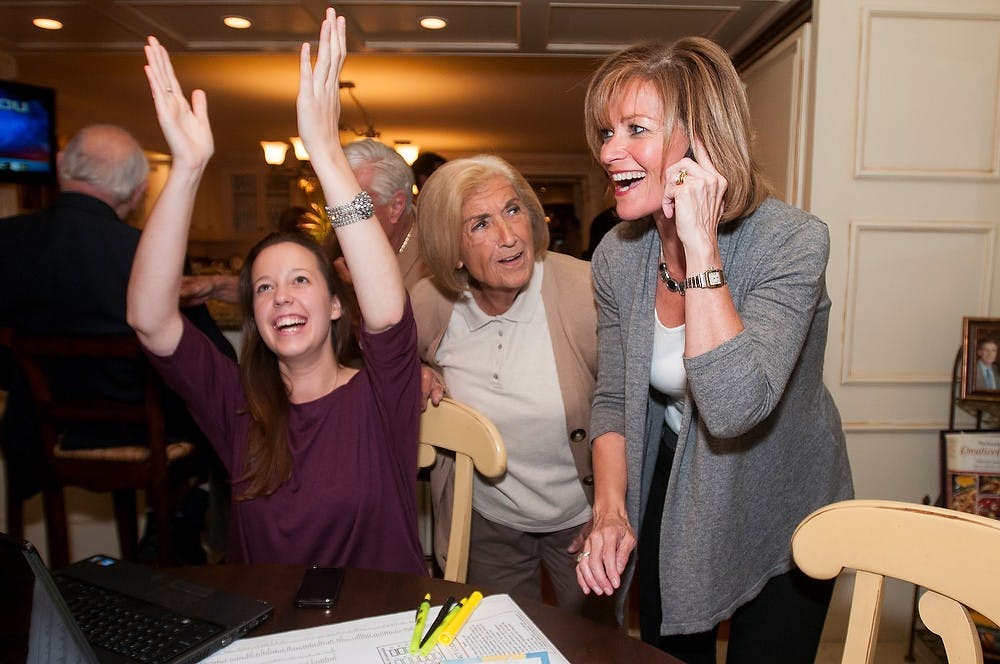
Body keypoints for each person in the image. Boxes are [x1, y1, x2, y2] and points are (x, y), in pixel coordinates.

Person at [573, 37, 854, 663]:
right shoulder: (618, 256)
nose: (608, 151)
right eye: (606, 131)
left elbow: (733, 407)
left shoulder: (793, 243)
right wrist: (611, 510)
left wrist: (700, 246)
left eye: (634, 130)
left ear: (696, 141)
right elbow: (615, 396)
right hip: (680, 478)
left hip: (786, 497)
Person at [127, 9, 425, 573]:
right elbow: (149, 320)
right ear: (255, 314)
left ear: (337, 304)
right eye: (264, 287)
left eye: (300, 280)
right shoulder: (237, 406)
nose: (281, 296)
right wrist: (188, 168)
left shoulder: (383, 393)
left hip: (379, 634)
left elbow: (386, 311)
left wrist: (327, 151)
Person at [0, 124, 234, 563]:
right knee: (226, 415)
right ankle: (188, 526)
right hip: (147, 426)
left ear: (58, 167)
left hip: (39, 428)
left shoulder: (6, 241)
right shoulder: (147, 249)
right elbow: (214, 360)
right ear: (138, 191)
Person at [411, 155, 607, 620]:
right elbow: (378, 356)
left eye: (513, 210)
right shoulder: (431, 301)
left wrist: (611, 507)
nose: (509, 235)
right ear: (452, 249)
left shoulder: (586, 290)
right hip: (488, 522)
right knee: (495, 643)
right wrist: (414, 373)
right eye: (480, 223)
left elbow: (633, 404)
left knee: (595, 648)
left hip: (582, 516)